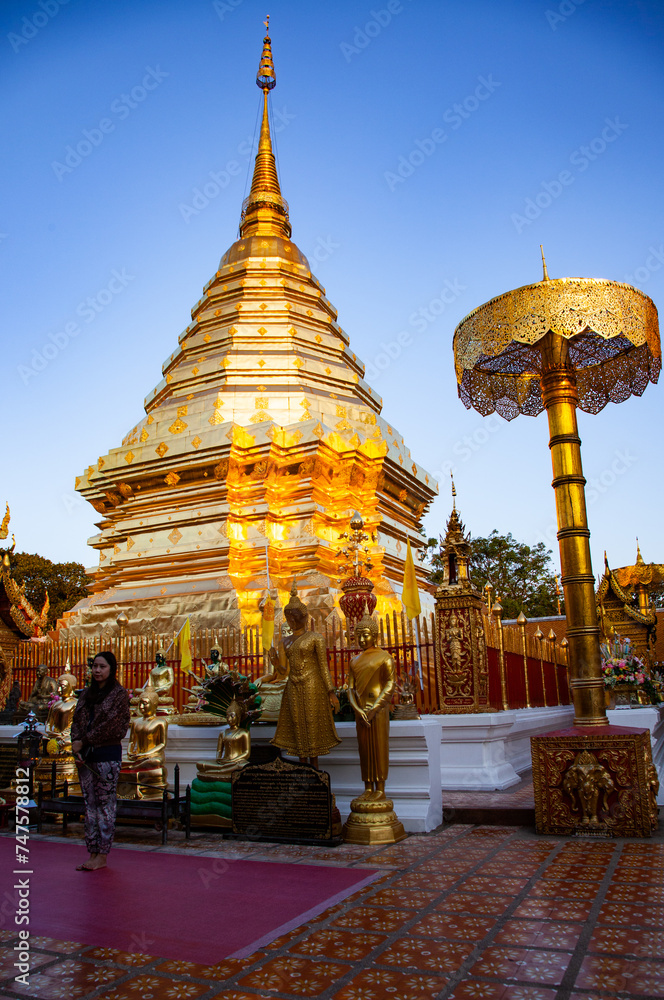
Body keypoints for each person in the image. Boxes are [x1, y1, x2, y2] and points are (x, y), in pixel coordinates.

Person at [71, 651, 130, 871]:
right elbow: (76, 721)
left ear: (111, 669)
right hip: (86, 756)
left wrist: (83, 740)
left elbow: (113, 726)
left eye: (102, 666)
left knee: (105, 806)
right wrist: (76, 744)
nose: (97, 670)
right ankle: (92, 851)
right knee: (90, 805)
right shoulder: (86, 695)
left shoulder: (119, 695)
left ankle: (102, 855)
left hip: (107, 754)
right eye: (94, 666)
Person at [271, 583, 340, 767]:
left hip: (313, 684)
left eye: (294, 617)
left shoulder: (316, 638)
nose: (292, 621)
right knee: (298, 727)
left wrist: (331, 692)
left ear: (303, 616)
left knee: (311, 725)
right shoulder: (283, 642)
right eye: (288, 618)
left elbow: (323, 667)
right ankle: (303, 769)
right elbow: (284, 673)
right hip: (293, 685)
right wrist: (276, 663)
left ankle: (315, 770)